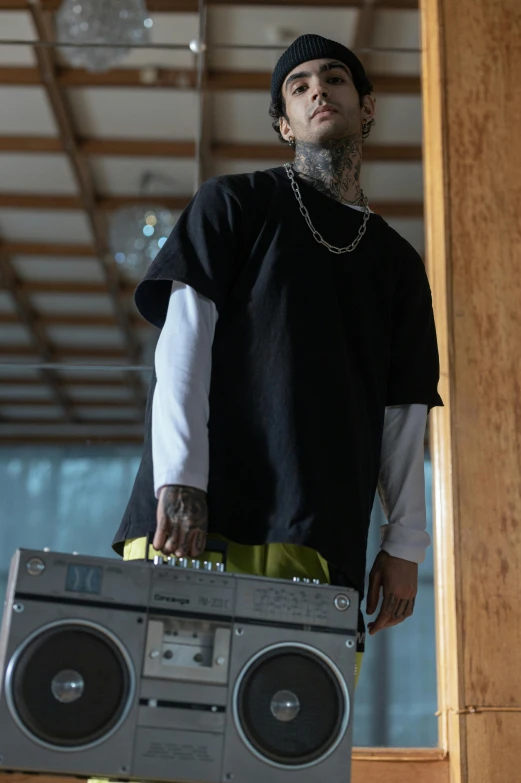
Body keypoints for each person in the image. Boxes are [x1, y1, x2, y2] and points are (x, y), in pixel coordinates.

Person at [114, 34, 443, 685]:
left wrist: (404, 542)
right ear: (283, 123)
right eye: (299, 86)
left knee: (287, 735)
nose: (318, 89)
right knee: (155, 730)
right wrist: (180, 478)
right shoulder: (232, 204)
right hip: (195, 517)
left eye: (334, 79)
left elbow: (404, 409)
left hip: (318, 527)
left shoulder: (398, 264)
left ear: (367, 106)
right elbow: (182, 344)